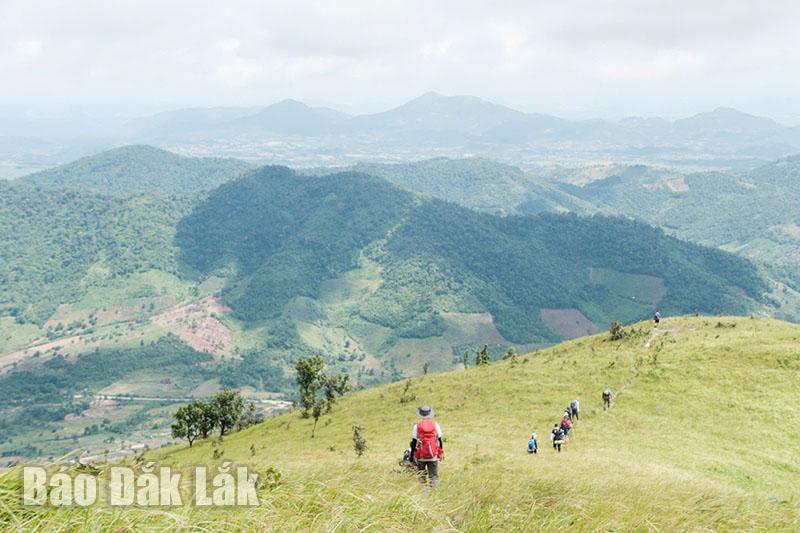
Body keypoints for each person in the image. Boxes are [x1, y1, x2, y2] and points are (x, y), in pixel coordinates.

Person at [410, 405, 443, 487]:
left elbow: (413, 443)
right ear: (430, 414)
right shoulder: (435, 425)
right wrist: (440, 453)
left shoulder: (416, 426)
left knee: (421, 476)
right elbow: (440, 441)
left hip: (420, 456)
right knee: (434, 477)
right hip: (433, 455)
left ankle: (422, 494)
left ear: (420, 414)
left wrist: (412, 458)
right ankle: (433, 492)